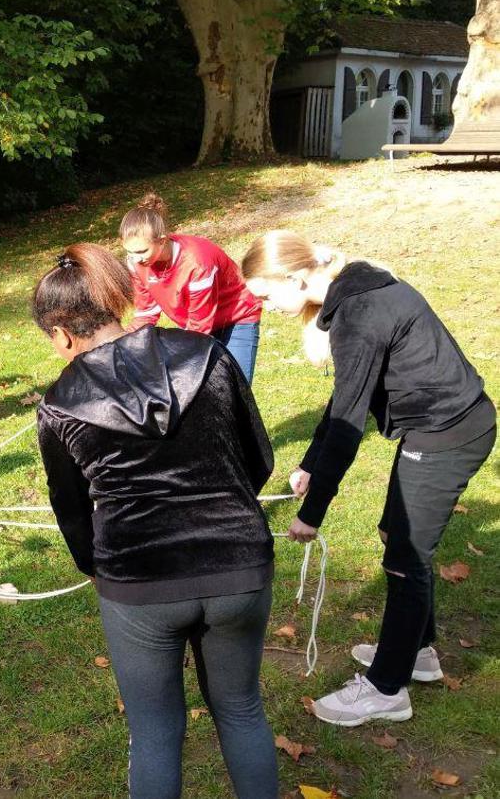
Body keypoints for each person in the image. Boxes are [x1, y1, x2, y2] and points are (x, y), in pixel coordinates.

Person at [35, 243, 277, 798]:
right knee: (242, 709)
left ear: (61, 335)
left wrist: (95, 566)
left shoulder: (60, 403)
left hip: (139, 581)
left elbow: (71, 510)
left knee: (154, 733)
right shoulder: (208, 355)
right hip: (238, 563)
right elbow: (257, 458)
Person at [242, 230, 495, 727]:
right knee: (394, 535)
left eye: (267, 296)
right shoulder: (354, 290)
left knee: (405, 559)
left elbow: (348, 427)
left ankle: (385, 690)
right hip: (436, 428)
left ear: (293, 278)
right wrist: (310, 463)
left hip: (449, 432)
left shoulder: (359, 315)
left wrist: (311, 514)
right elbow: (343, 403)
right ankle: (418, 651)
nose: (266, 308)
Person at [120, 193, 263, 382]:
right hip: (197, 324)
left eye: (141, 251)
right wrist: (120, 342)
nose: (135, 258)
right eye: (129, 252)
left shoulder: (197, 262)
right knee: (204, 388)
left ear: (162, 240)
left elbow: (199, 326)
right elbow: (146, 314)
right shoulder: (136, 264)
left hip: (237, 317)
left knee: (236, 385)